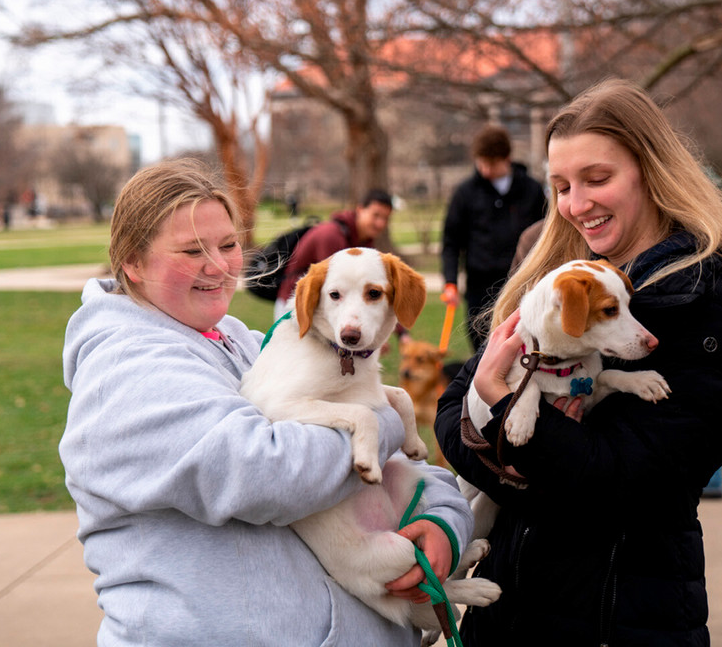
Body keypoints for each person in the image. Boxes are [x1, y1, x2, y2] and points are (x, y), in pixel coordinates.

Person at [60, 160, 474, 646]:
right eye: (192, 250)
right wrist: (381, 420)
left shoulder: (241, 341)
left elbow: (405, 467)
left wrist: (445, 522)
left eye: (229, 245)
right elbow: (267, 471)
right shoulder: (126, 371)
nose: (218, 266)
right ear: (131, 261)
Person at [435, 78, 722, 645]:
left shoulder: (698, 299)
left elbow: (623, 483)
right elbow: (452, 407)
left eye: (598, 179)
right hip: (513, 610)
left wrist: (505, 412)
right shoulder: (560, 283)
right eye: (562, 186)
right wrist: (510, 453)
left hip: (617, 616)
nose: (576, 204)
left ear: (651, 170)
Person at [441, 124, 547, 352]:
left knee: (523, 348)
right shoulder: (465, 193)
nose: (485, 169)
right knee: (482, 352)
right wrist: (450, 281)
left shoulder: (531, 189)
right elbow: (451, 241)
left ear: (506, 158)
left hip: (522, 283)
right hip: (479, 289)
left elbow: (546, 234)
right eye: (481, 163)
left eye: (491, 163)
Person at [273, 188, 394, 320]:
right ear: (360, 209)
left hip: (318, 309)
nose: (380, 223)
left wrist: (402, 333)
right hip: (295, 306)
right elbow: (338, 286)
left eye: (385, 218)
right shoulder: (331, 235)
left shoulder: (363, 242)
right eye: (376, 215)